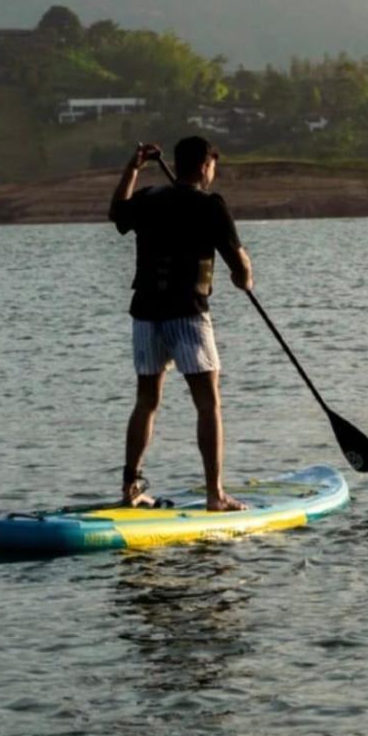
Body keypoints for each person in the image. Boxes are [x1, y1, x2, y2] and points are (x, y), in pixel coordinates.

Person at [109, 135, 253, 511]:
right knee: (208, 404)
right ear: (206, 166)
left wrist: (133, 167)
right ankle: (215, 495)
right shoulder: (211, 205)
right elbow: (240, 267)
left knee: (146, 401)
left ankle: (130, 490)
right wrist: (245, 279)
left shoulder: (148, 199)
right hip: (187, 312)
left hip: (145, 312)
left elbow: (117, 213)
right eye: (213, 166)